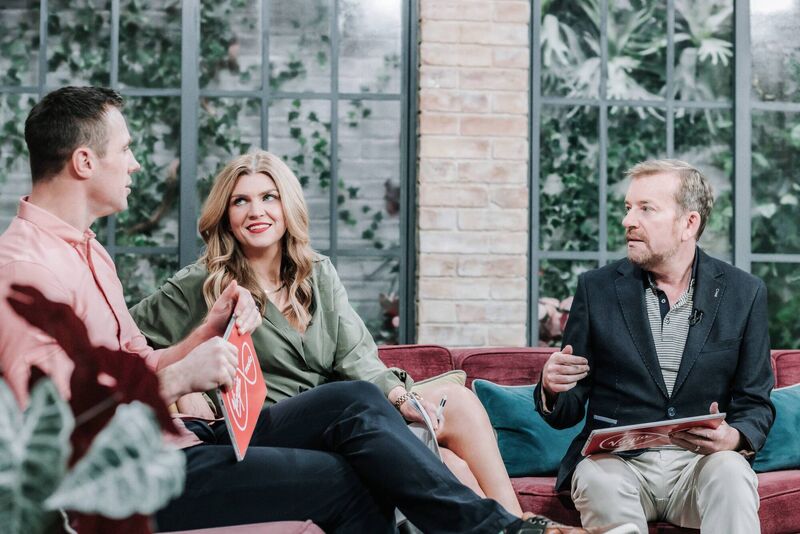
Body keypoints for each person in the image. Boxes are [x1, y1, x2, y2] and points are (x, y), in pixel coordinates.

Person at [0, 85, 618, 534]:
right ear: (85, 162)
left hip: (185, 440)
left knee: (355, 402)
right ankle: (502, 533)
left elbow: (136, 360)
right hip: (135, 472)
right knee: (345, 477)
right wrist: (186, 378)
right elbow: (63, 422)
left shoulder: (91, 254)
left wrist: (204, 336)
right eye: (126, 149)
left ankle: (503, 529)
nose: (135, 163)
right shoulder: (27, 268)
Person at [130, 150, 520, 516]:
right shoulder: (203, 282)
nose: (257, 212)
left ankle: (522, 522)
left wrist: (401, 397)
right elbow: (125, 338)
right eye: (240, 201)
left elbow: (357, 359)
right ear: (225, 214)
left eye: (269, 197)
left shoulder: (317, 273)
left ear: (288, 207)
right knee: (445, 463)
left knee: (458, 402)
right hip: (276, 428)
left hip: (349, 414)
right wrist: (187, 383)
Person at [535, 159, 775, 534]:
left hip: (698, 466)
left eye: (646, 208)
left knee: (732, 471)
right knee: (598, 479)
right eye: (628, 208)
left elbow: (755, 401)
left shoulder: (743, 293)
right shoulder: (596, 289)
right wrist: (552, 387)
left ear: (688, 223)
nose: (628, 221)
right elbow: (568, 408)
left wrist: (734, 436)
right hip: (617, 464)